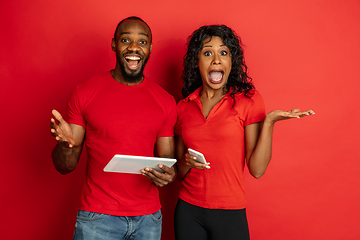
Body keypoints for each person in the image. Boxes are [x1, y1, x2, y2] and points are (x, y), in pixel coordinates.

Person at [173, 25, 315, 240]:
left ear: (232, 61)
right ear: (196, 61)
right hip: (188, 210)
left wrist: (269, 122)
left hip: (230, 212)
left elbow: (257, 170)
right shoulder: (183, 106)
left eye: (223, 53)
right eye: (207, 53)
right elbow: (178, 173)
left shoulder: (248, 100)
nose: (216, 60)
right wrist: (186, 162)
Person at [50, 16, 177, 240]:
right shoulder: (84, 93)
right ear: (114, 44)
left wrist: (168, 174)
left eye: (142, 42)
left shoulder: (165, 102)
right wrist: (65, 145)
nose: (134, 47)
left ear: (150, 48)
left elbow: (166, 157)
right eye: (126, 40)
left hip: (149, 219)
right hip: (97, 218)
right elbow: (65, 166)